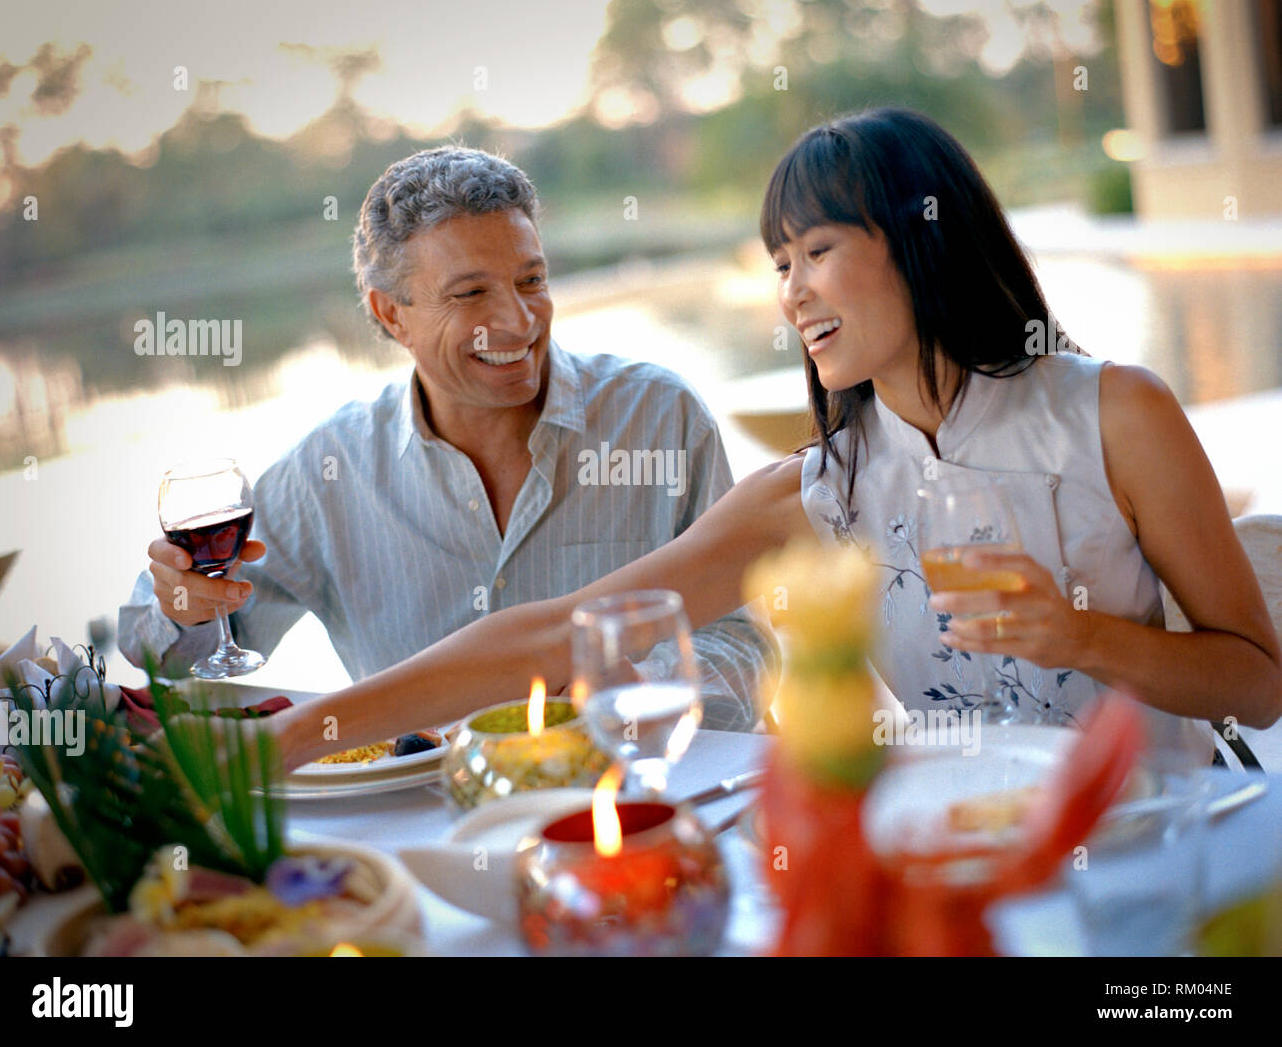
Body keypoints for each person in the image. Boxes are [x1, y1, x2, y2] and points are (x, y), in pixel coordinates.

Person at [266, 108, 1281, 770]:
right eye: (778, 261)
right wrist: (286, 744)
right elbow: (556, 633)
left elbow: (1257, 682)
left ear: (919, 238)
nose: (790, 290)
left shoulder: (1115, 413)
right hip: (967, 850)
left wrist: (1080, 638)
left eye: (817, 251)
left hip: (1161, 836)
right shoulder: (819, 489)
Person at [118, 146, 772, 731]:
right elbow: (174, 658)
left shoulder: (660, 417)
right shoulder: (330, 469)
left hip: (634, 795)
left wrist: (640, 692)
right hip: (424, 822)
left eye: (532, 281)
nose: (517, 322)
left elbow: (746, 644)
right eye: (470, 294)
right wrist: (186, 608)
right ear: (390, 314)